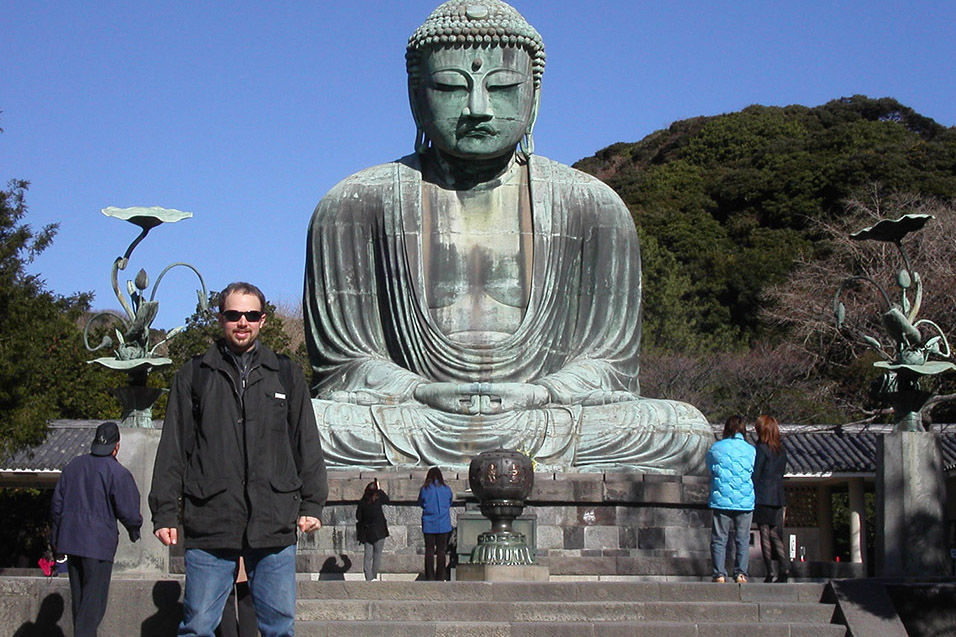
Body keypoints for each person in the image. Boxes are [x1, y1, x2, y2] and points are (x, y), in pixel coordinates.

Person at [303, 0, 714, 474]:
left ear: (534, 97)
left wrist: (541, 392)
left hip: (542, 413)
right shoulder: (353, 204)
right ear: (416, 96)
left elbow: (611, 368)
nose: (477, 109)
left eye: (501, 88)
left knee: (681, 430)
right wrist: (418, 389)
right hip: (416, 415)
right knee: (305, 424)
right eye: (450, 87)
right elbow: (344, 368)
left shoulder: (593, 206)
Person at [149, 282, 328, 636]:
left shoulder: (286, 373)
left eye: (250, 315)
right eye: (233, 315)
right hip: (212, 518)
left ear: (263, 319)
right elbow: (173, 448)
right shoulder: (194, 375)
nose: (242, 322)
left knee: (279, 626)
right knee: (198, 626)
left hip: (273, 517)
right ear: (220, 319)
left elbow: (305, 441)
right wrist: (165, 511)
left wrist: (313, 503)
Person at [50, 421, 142, 636]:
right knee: (93, 605)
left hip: (71, 541)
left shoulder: (73, 466)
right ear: (116, 446)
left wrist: (56, 537)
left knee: (80, 601)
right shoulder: (116, 472)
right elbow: (128, 509)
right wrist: (134, 528)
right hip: (98, 544)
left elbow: (56, 506)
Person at [707, 415, 755, 583]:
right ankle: (741, 572)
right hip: (745, 499)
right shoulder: (751, 450)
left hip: (722, 497)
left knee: (719, 538)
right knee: (742, 538)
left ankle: (719, 574)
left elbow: (710, 469)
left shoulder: (716, 448)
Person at [753, 414, 792, 583]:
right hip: (778, 495)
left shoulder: (761, 449)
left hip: (763, 495)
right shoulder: (781, 450)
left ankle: (770, 571)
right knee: (776, 533)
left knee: (764, 533)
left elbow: (757, 473)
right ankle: (785, 566)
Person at [418, 468, 453, 581]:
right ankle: (440, 575)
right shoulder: (446, 489)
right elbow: (449, 501)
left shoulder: (425, 489)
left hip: (429, 522)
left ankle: (430, 576)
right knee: (441, 551)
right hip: (443, 523)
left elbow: (421, 502)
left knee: (429, 550)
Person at [355, 479, 390, 581]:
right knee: (377, 555)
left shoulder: (362, 502)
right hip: (379, 531)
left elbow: (358, 516)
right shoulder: (378, 500)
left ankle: (368, 577)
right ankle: (374, 576)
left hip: (367, 532)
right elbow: (387, 499)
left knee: (368, 556)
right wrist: (379, 490)